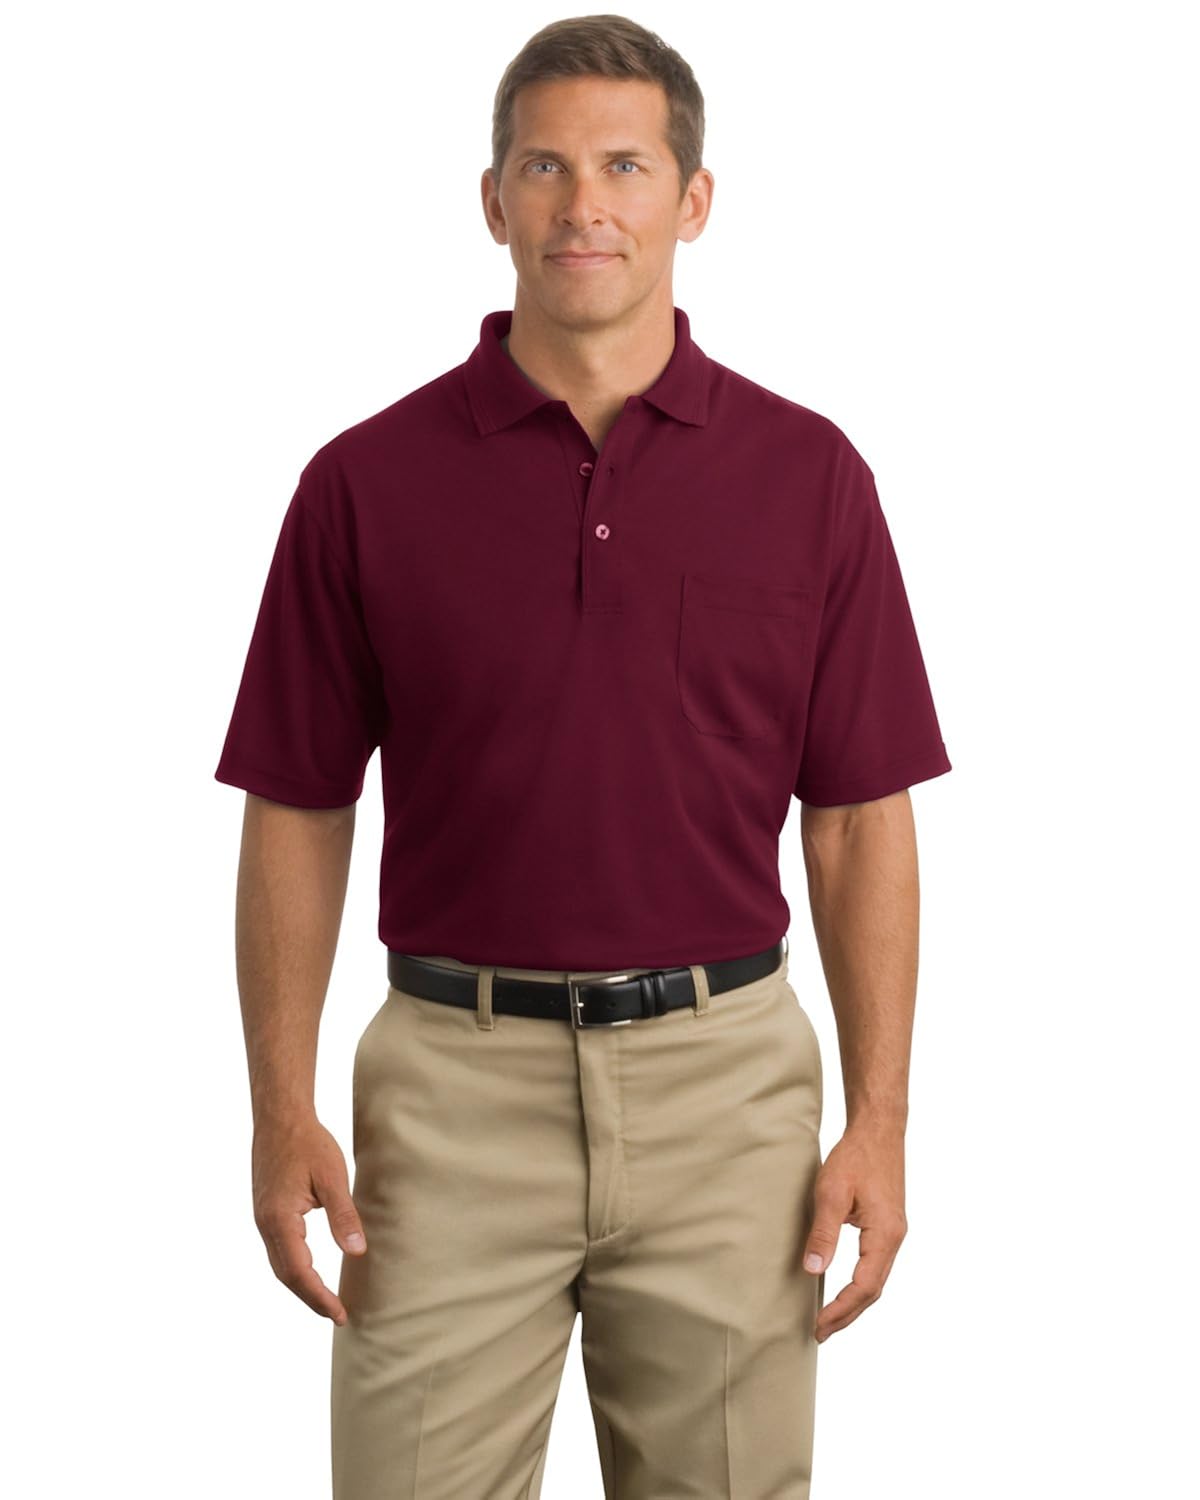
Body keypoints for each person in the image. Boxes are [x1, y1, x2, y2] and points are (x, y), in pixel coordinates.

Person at [214, 14, 952, 1499]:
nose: (583, 205)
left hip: (729, 1099)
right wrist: (279, 1106)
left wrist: (880, 1119)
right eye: (545, 167)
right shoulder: (364, 483)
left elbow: (859, 820)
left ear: (694, 200)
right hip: (448, 1096)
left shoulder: (809, 476)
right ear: (493, 202)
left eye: (625, 165)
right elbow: (297, 805)